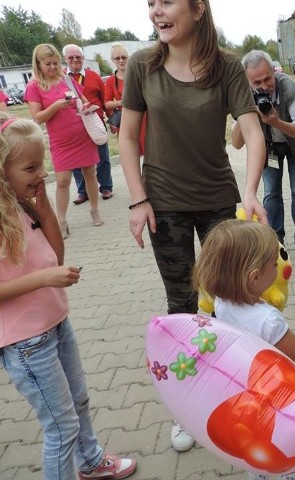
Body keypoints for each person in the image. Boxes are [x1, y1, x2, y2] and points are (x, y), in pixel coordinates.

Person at [119, 0, 267, 453]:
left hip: (220, 201)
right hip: (166, 206)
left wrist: (250, 192)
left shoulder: (226, 66)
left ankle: (240, 392)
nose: (155, 13)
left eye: (166, 3)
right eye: (150, 4)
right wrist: (138, 199)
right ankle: (188, 406)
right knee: (183, 306)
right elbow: (126, 136)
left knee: (234, 301)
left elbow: (253, 131)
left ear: (198, 8)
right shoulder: (143, 65)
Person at [0, 113, 136, 480]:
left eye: (41, 165)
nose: (41, 174)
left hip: (56, 323)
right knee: (61, 428)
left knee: (78, 404)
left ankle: (90, 462)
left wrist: (44, 208)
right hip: (26, 342)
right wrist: (43, 278)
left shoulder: (23, 205)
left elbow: (55, 256)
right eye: (30, 168)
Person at [192, 218, 295, 480]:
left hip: (244, 394)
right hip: (275, 396)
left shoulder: (221, 301)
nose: (278, 266)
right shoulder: (267, 319)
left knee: (257, 447)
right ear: (254, 277)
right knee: (282, 447)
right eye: (273, 263)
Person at [231, 50, 295, 266]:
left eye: (268, 78)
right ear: (248, 81)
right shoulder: (245, 94)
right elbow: (237, 143)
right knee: (271, 194)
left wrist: (275, 122)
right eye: (256, 82)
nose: (264, 86)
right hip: (269, 149)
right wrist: (243, 113)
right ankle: (275, 241)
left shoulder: (290, 88)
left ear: (274, 71)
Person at [24, 43, 104, 239]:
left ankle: (94, 210)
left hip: (83, 135)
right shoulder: (34, 86)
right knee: (62, 181)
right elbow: (37, 117)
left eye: (55, 63)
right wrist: (56, 106)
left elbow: (84, 99)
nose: (52, 67)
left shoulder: (67, 80)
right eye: (47, 64)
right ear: (38, 64)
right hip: (61, 142)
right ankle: (61, 220)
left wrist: (86, 106)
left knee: (90, 174)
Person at [63, 44, 114, 203]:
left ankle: (106, 187)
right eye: (71, 57)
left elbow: (104, 100)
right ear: (65, 59)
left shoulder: (94, 76)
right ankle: (83, 191)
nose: (75, 60)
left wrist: (111, 119)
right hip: (75, 126)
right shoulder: (61, 78)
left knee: (102, 157)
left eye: (78, 56)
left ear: (83, 58)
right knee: (77, 160)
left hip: (95, 122)